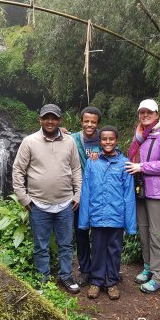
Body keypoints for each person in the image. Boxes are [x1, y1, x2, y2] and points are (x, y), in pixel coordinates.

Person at [12, 103, 82, 294]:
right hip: (38, 204)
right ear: (40, 120)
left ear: (60, 120)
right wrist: (23, 198)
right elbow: (18, 170)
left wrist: (77, 194)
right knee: (40, 246)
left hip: (66, 203)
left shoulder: (69, 142)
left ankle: (66, 275)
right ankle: (42, 278)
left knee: (66, 244)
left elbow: (76, 168)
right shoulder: (29, 142)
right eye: (46, 117)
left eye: (54, 118)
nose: (50, 121)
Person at [79, 125, 137, 300]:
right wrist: (83, 220)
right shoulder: (92, 161)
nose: (107, 142)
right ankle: (96, 282)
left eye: (111, 139)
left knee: (114, 250)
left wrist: (130, 224)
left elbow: (129, 195)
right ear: (99, 141)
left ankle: (111, 282)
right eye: (104, 139)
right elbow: (86, 191)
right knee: (97, 249)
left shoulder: (124, 164)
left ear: (116, 141)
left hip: (116, 216)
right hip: (97, 215)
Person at [124, 99, 160, 293]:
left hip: (158, 192)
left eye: (149, 112)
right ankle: (148, 267)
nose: (145, 115)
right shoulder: (139, 136)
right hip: (140, 189)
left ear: (157, 114)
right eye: (142, 112)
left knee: (157, 234)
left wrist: (142, 167)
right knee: (144, 232)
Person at [71, 106, 102, 286]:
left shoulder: (105, 139)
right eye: (86, 121)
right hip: (79, 195)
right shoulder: (72, 139)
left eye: (93, 121)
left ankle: (100, 269)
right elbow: (50, 131)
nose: (89, 124)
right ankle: (85, 270)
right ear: (81, 121)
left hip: (99, 195)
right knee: (81, 233)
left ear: (97, 123)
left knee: (99, 233)